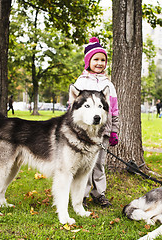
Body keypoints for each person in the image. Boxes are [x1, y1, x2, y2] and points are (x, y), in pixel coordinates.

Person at [70, 37, 119, 208]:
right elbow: (72, 108)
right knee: (83, 165)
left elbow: (114, 111)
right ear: (88, 61)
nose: (99, 63)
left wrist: (113, 131)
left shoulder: (109, 85)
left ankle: (99, 194)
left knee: (99, 165)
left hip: (102, 133)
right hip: (82, 134)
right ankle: (81, 195)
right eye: (96, 59)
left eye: (103, 60)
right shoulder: (81, 82)